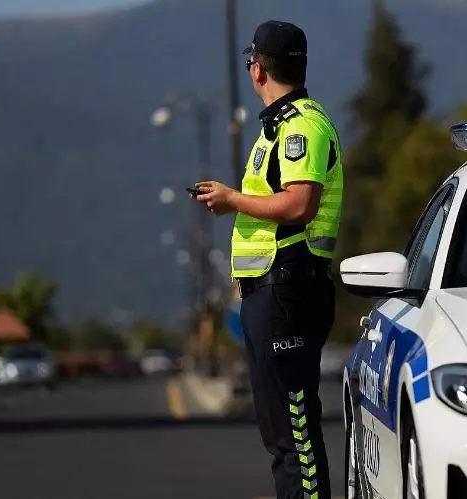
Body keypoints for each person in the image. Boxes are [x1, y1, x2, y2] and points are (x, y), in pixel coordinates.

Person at [193, 20, 342, 499]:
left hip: (289, 290)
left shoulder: (301, 127)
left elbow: (300, 204)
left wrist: (232, 200)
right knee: (280, 436)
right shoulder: (278, 127)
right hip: (270, 293)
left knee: (296, 434)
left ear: (257, 70)